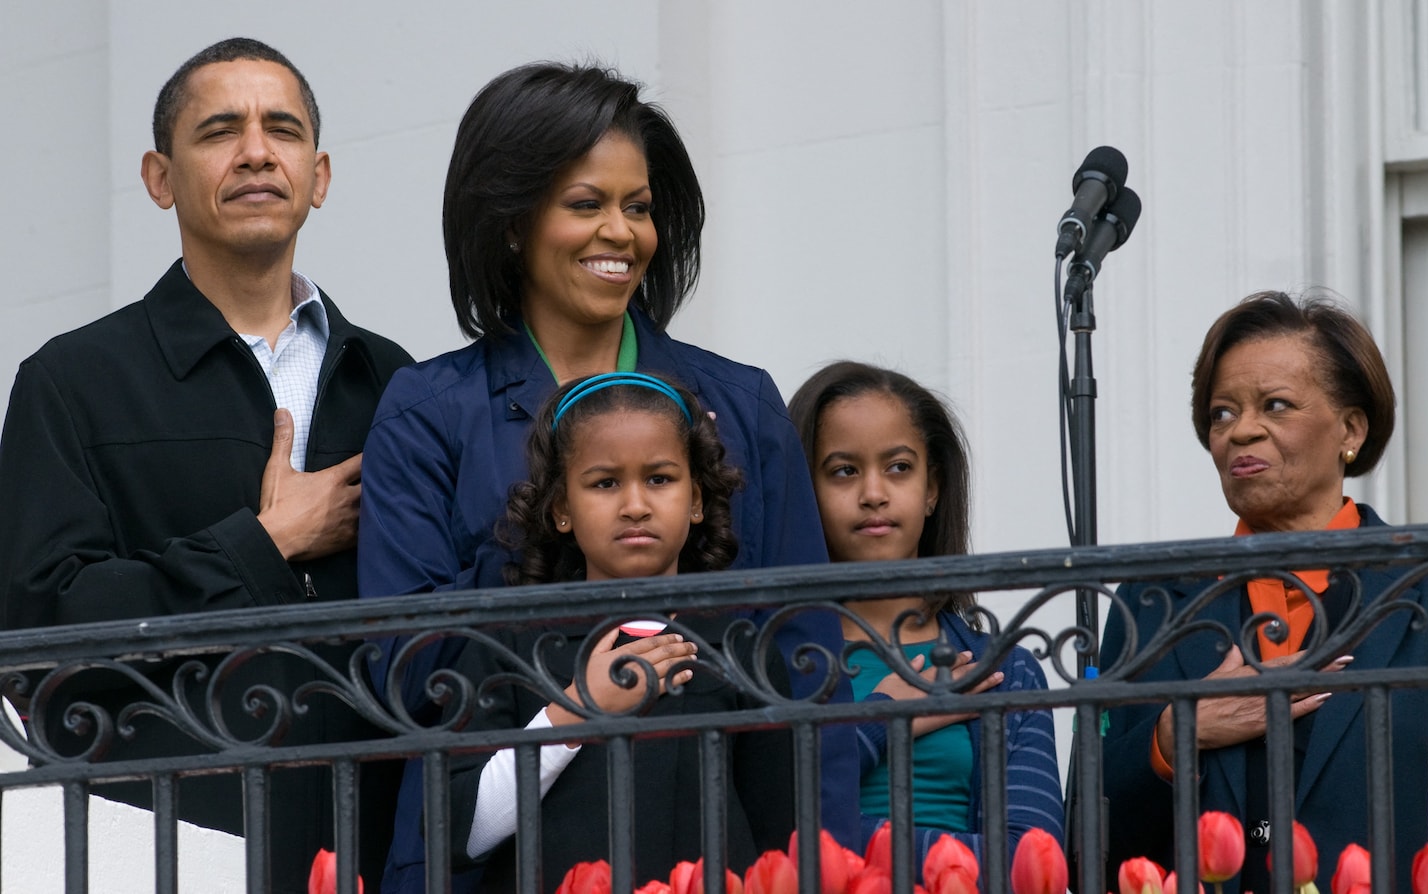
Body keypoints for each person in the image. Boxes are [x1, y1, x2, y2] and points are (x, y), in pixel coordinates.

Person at [358, 61, 857, 890]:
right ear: (513, 223)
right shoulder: (427, 409)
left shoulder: (740, 405)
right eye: (585, 204)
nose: (620, 234)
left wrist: (827, 869)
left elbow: (804, 666)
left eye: (639, 207)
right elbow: (408, 671)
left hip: (715, 847)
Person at [0, 38, 411, 892]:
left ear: (320, 174)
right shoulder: (72, 382)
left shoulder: (395, 382)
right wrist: (264, 544)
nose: (257, 151)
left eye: (283, 130)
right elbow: (38, 634)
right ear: (160, 178)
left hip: (373, 844)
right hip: (165, 845)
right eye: (221, 130)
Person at [1098, 291, 1428, 891]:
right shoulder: (1153, 601)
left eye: (1275, 406)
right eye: (1222, 413)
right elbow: (1084, 839)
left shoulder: (1423, 583)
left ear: (1350, 429)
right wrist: (1175, 735)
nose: (1240, 432)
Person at [445, 372, 793, 890]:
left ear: (696, 500)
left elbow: (778, 846)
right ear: (562, 508)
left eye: (659, 479)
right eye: (605, 483)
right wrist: (574, 712)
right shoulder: (510, 645)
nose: (635, 504)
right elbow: (463, 833)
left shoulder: (740, 648)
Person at [787, 361, 1065, 873]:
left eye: (898, 467)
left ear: (932, 488)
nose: (874, 493)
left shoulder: (1007, 671)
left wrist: (854, 845)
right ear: (806, 494)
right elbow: (773, 822)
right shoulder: (776, 666)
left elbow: (1032, 862)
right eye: (844, 471)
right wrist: (877, 721)